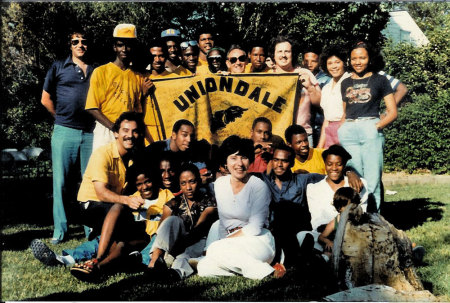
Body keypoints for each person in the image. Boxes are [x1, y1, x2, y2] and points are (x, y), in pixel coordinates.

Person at [197, 136, 279, 280]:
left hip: (257, 241)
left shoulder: (258, 186)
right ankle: (247, 270)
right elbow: (223, 222)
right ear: (226, 162)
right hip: (231, 246)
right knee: (203, 267)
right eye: (234, 158)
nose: (239, 163)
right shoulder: (220, 184)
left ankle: (266, 272)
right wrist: (225, 242)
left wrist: (224, 242)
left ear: (250, 160)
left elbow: (255, 228)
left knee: (214, 249)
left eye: (244, 158)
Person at [41, 30, 95, 244]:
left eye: (84, 41)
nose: (80, 45)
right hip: (64, 132)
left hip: (90, 133)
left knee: (90, 182)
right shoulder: (58, 67)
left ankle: (92, 230)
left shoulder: (95, 70)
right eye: (76, 41)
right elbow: (45, 99)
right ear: (70, 45)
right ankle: (60, 231)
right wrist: (61, 117)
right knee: (61, 183)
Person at [338, 41, 397, 211]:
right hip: (349, 131)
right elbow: (345, 112)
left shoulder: (380, 79)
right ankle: (357, 219)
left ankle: (374, 220)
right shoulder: (345, 82)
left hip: (370, 128)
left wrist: (376, 127)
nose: (358, 62)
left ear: (369, 58)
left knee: (373, 179)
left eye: (362, 58)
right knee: (354, 179)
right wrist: (342, 130)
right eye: (354, 58)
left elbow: (392, 112)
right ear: (349, 60)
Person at [77, 111, 146, 242]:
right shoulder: (103, 154)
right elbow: (101, 193)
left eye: (135, 131)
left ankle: (99, 240)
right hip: (91, 204)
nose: (130, 136)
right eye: (125, 130)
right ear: (115, 133)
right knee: (125, 221)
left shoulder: (134, 158)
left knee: (139, 224)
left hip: (113, 204)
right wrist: (127, 200)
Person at [255, 144, 324, 267]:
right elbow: (240, 174)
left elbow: (332, 175)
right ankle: (296, 259)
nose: (279, 165)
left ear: (292, 163)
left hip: (297, 227)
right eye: (276, 160)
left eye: (284, 161)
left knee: (285, 211)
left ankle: (293, 259)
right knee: (279, 211)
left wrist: (350, 172)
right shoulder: (263, 179)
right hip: (274, 229)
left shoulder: (302, 179)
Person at [85, 24, 152, 151]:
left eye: (129, 45)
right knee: (104, 168)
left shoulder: (137, 76)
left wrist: (143, 94)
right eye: (120, 45)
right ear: (114, 47)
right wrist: (114, 127)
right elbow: (92, 107)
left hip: (129, 132)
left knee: (127, 169)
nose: (124, 49)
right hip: (106, 129)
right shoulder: (101, 72)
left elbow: (137, 110)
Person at [146, 163, 217, 280]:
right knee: (172, 220)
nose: (188, 187)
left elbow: (200, 228)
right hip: (175, 244)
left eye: (192, 182)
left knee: (185, 255)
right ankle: (154, 262)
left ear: (199, 181)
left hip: (199, 242)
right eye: (183, 183)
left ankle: (175, 273)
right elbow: (161, 232)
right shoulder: (172, 204)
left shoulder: (209, 202)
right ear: (179, 185)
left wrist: (179, 246)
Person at [298, 145, 368, 256]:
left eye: (339, 164)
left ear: (344, 165)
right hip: (324, 234)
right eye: (329, 164)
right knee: (302, 236)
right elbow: (316, 221)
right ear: (325, 164)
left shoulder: (357, 183)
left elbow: (362, 213)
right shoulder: (314, 188)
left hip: (350, 233)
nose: (334, 168)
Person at [271, 36, 321, 146]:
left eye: (287, 51)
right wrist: (226, 76)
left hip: (303, 134)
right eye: (280, 51)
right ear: (274, 55)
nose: (283, 55)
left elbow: (319, 103)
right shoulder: (267, 76)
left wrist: (309, 87)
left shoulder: (305, 73)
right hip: (276, 135)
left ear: (292, 54)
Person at [316, 45, 351, 149]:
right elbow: (327, 119)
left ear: (344, 63)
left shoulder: (350, 82)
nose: (334, 66)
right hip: (330, 133)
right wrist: (320, 145)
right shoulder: (326, 87)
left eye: (337, 62)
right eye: (330, 63)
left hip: (346, 131)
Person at [318, 187, 360, 257]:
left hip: (352, 247)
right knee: (328, 253)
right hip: (338, 247)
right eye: (347, 207)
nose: (351, 210)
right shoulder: (336, 221)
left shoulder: (358, 219)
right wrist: (328, 242)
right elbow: (321, 237)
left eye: (353, 206)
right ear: (339, 208)